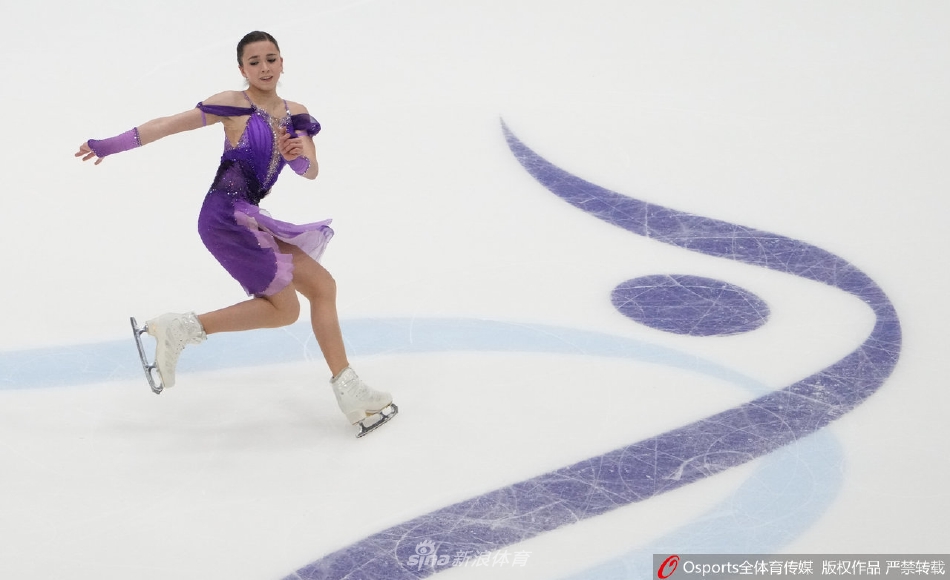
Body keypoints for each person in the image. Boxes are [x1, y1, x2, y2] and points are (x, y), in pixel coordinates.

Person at [75, 31, 396, 434]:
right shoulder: (234, 104)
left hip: (247, 215)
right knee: (287, 309)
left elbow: (310, 169)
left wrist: (297, 158)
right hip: (224, 216)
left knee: (321, 287)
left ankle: (349, 391)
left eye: (271, 58)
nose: (264, 68)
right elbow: (168, 124)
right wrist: (107, 145)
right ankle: (181, 327)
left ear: (282, 63)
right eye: (255, 61)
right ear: (242, 69)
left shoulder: (297, 115)